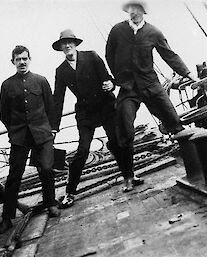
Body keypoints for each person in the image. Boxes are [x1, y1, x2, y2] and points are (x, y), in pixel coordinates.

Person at [105, 1, 199, 191]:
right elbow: (109, 56)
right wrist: (119, 79)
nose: (132, 12)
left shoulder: (153, 32)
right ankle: (128, 176)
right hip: (128, 89)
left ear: (142, 11)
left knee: (174, 120)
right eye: (129, 8)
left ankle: (196, 166)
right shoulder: (117, 30)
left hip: (150, 84)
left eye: (136, 9)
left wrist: (189, 75)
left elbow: (170, 56)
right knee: (125, 129)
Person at [52, 29, 136, 206]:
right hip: (85, 113)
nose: (67, 46)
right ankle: (70, 192)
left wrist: (111, 85)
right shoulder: (61, 71)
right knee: (82, 150)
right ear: (60, 48)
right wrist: (54, 127)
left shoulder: (92, 56)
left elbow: (108, 79)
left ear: (75, 44)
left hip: (106, 106)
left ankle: (129, 176)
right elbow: (58, 99)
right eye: (63, 44)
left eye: (70, 42)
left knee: (117, 141)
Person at [0, 45, 60, 233]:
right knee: (14, 176)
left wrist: (52, 129)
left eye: (25, 58)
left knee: (47, 169)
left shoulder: (40, 81)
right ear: (13, 62)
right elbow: (4, 113)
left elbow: (51, 107)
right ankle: (7, 217)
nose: (22, 62)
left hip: (42, 134)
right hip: (19, 137)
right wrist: (14, 130)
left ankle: (51, 204)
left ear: (29, 59)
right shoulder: (7, 85)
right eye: (18, 59)